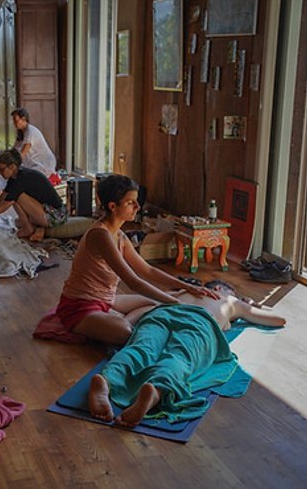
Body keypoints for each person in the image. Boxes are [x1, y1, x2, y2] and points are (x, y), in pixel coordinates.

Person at [88, 280, 286, 427]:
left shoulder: (181, 291)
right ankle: (155, 391)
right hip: (199, 322)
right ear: (219, 289)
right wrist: (250, 306)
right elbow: (278, 320)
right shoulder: (231, 300)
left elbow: (134, 300)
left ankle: (106, 382)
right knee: (179, 358)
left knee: (140, 349)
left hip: (162, 313)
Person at [55, 174, 218, 346]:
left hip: (106, 300)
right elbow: (133, 282)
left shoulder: (119, 235)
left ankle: (117, 318)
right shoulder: (100, 235)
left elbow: (147, 270)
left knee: (155, 304)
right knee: (125, 333)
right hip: (80, 306)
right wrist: (176, 302)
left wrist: (188, 286)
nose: (137, 206)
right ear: (112, 206)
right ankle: (117, 320)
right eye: (130, 202)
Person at [0, 148, 67, 242]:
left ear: (12, 166)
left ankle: (29, 228)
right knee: (16, 215)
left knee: (16, 197)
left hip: (56, 215)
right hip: (44, 210)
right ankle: (37, 228)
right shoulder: (14, 177)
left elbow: (4, 206)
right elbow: (0, 199)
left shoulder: (21, 179)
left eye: (1, 169)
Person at [11, 108, 58, 182]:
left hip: (43, 165)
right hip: (33, 164)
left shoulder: (31, 132)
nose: (13, 123)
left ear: (23, 119)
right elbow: (14, 150)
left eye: (15, 120)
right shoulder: (21, 133)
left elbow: (22, 154)